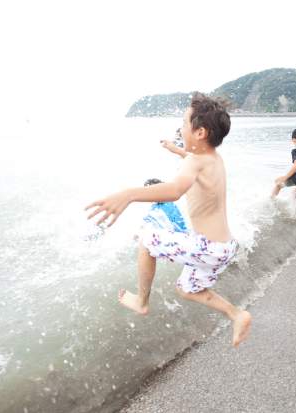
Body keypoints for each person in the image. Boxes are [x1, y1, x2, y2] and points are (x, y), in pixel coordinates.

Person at [86, 93, 252, 348]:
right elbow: (191, 161)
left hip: (208, 248)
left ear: (200, 133)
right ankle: (236, 314)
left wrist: (129, 194)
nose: (181, 128)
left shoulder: (195, 162)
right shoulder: (213, 159)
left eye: (184, 124)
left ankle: (141, 302)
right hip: (224, 247)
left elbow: (175, 190)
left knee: (147, 239)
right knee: (186, 289)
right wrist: (175, 149)